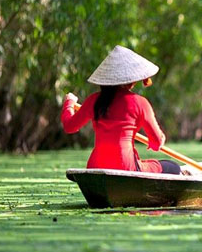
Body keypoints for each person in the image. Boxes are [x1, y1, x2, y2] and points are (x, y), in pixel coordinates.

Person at [61, 45, 181, 175]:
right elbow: (157, 142)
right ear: (132, 81)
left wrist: (69, 103)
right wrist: (158, 141)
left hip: (95, 167)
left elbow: (69, 126)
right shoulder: (140, 103)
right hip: (126, 167)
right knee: (174, 167)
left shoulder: (94, 100)